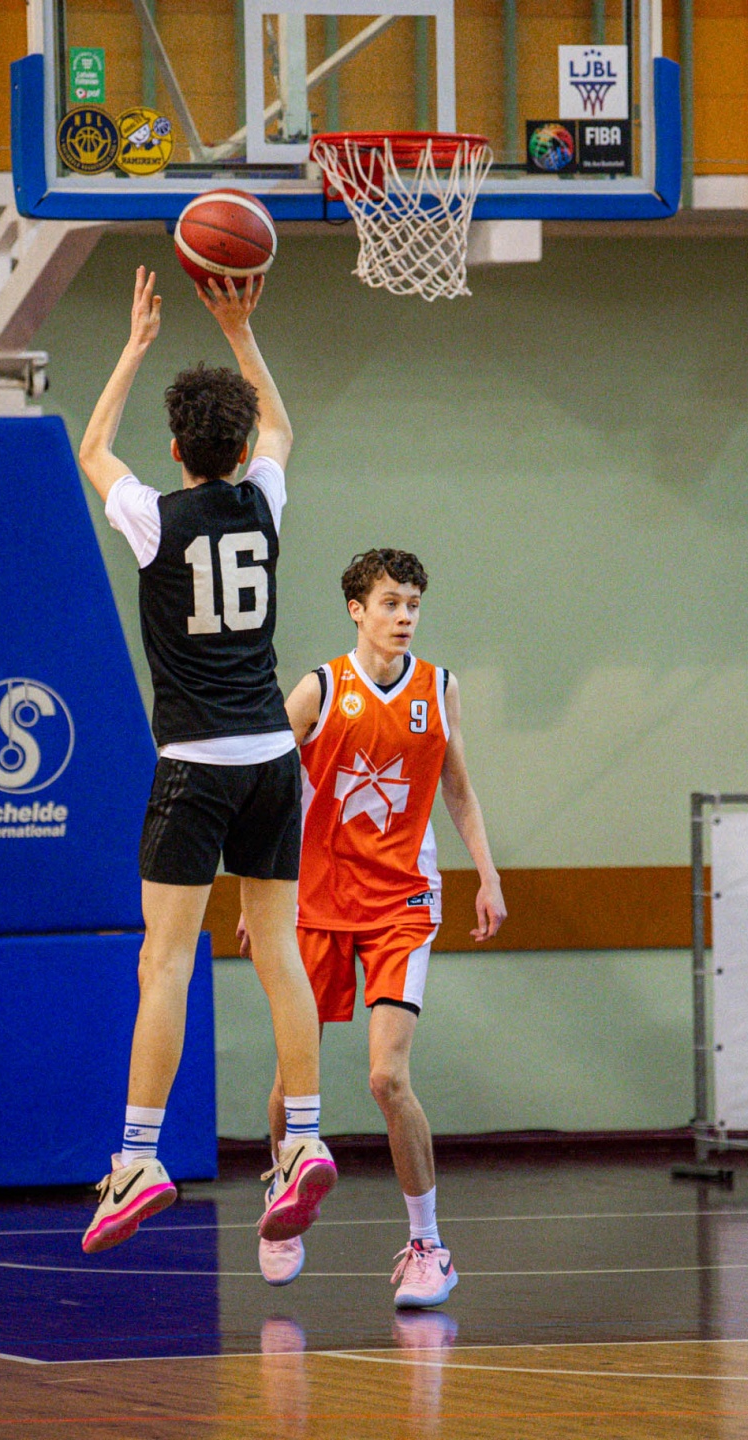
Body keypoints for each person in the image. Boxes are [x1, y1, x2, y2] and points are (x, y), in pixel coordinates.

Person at [73, 268, 334, 1254]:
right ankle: (302, 1139)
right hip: (274, 757)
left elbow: (91, 448)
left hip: (195, 765)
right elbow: (283, 428)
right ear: (239, 444)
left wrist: (136, 344)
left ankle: (139, 1158)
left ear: (177, 448)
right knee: (279, 950)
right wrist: (239, 329)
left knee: (167, 960)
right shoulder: (262, 501)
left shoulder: (155, 518)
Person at [247, 549, 506, 1308]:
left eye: (413, 604)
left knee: (387, 1078)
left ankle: (429, 1246)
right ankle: (283, 1201)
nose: (404, 617)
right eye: (390, 603)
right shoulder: (319, 689)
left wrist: (487, 874)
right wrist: (254, 900)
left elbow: (458, 790)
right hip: (317, 902)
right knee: (291, 1079)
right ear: (356, 610)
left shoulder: (439, 688)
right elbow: (260, 792)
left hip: (402, 903)